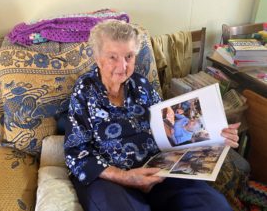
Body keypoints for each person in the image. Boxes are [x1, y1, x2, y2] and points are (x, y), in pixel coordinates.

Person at [64, 19, 240, 211]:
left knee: (213, 205)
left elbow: (169, 129)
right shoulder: (85, 91)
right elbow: (76, 152)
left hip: (155, 168)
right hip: (109, 177)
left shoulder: (141, 84)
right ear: (97, 58)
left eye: (129, 56)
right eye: (112, 57)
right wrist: (125, 177)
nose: (122, 66)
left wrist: (215, 133)